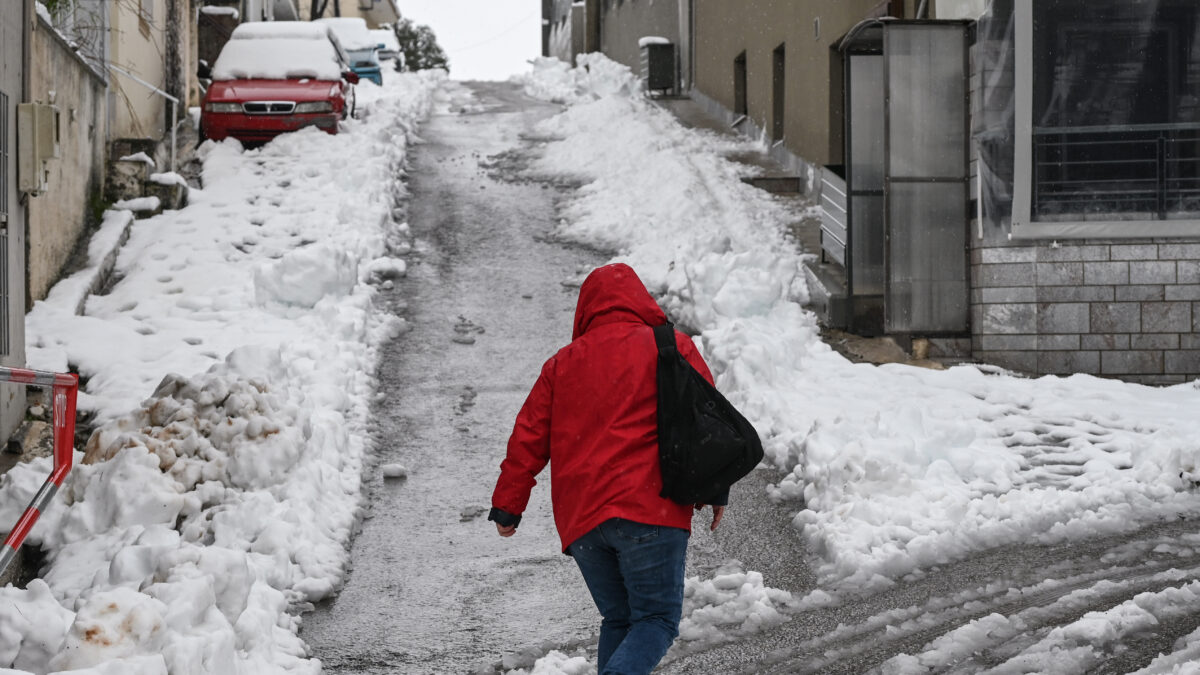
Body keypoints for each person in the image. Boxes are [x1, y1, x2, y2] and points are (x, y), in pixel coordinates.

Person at [489, 263, 725, 675]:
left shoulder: (562, 364)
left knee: (620, 619)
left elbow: (527, 437)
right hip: (651, 509)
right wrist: (715, 488)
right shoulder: (671, 346)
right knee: (655, 620)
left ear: (586, 311)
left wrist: (509, 504)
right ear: (641, 302)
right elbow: (707, 422)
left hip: (584, 523)